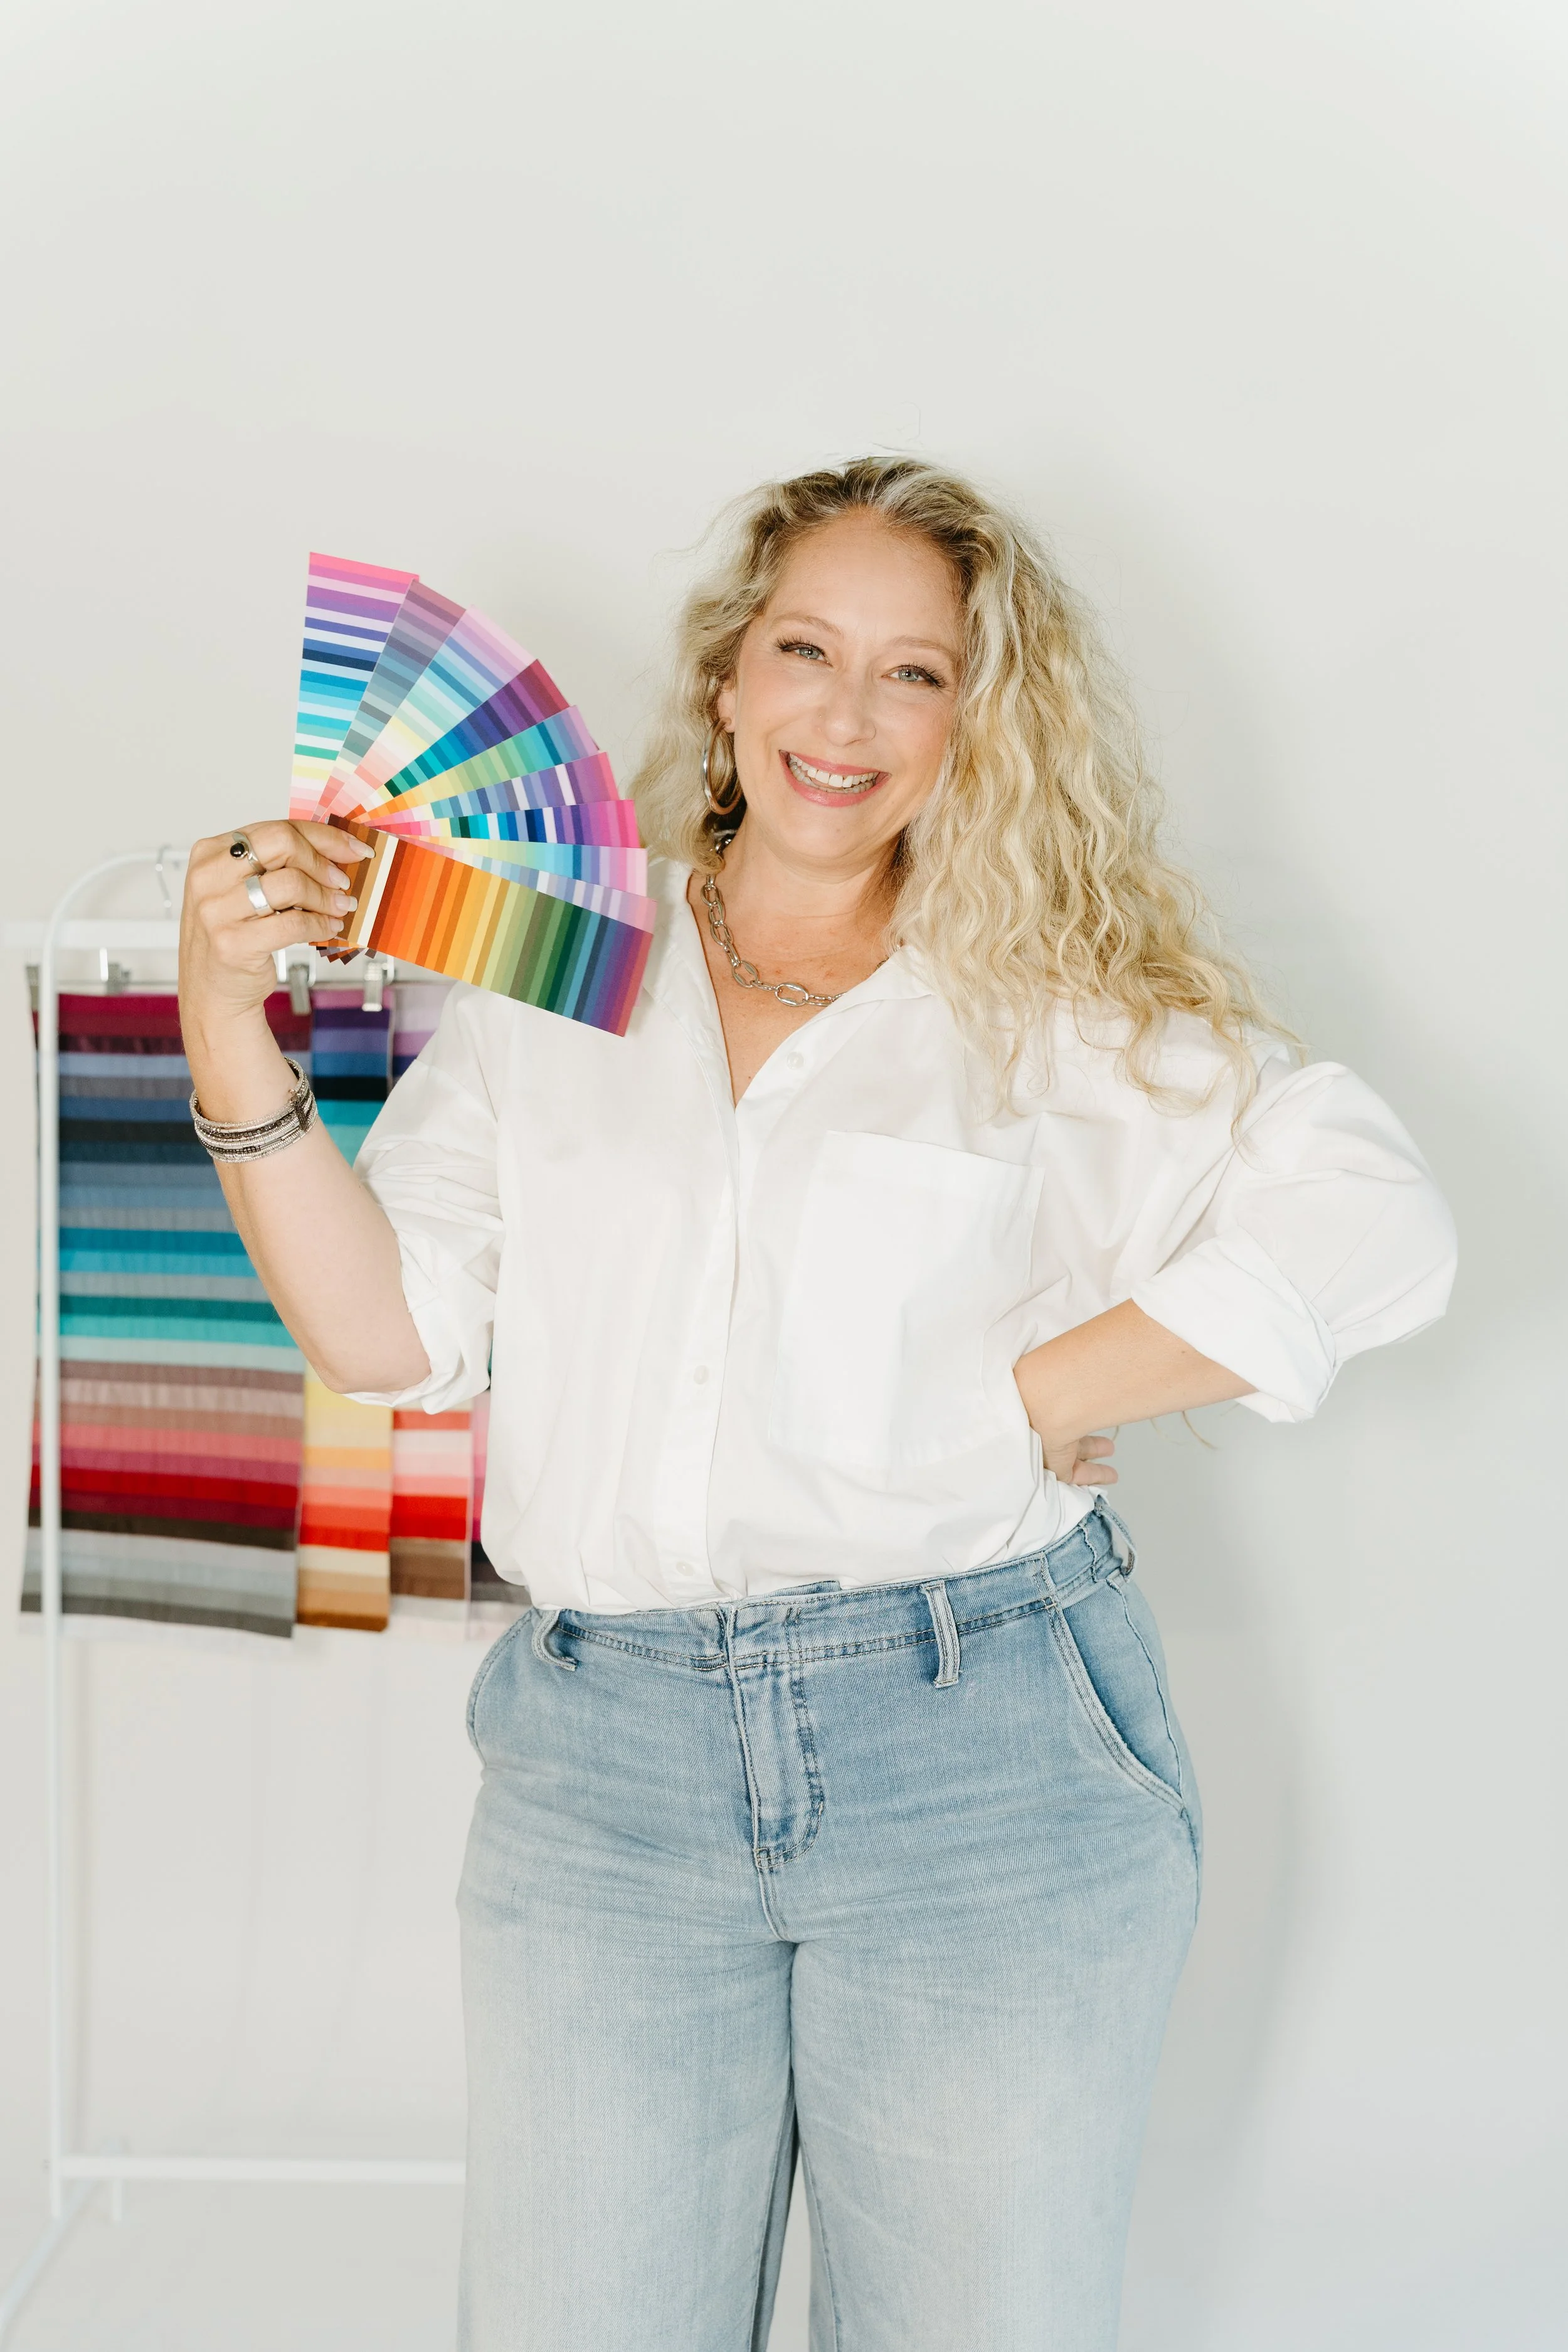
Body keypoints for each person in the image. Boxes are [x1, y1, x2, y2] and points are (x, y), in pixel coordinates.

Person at [177, 458, 1456, 2351]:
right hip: (602, 1787)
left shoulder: (1046, 1003)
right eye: (803, 650)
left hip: (983, 1766)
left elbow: (1376, 1216)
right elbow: (388, 1336)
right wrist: (225, 1017)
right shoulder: (553, 984)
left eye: (914, 673)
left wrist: (1034, 1390)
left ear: (978, 725)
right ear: (725, 682)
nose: (843, 716)